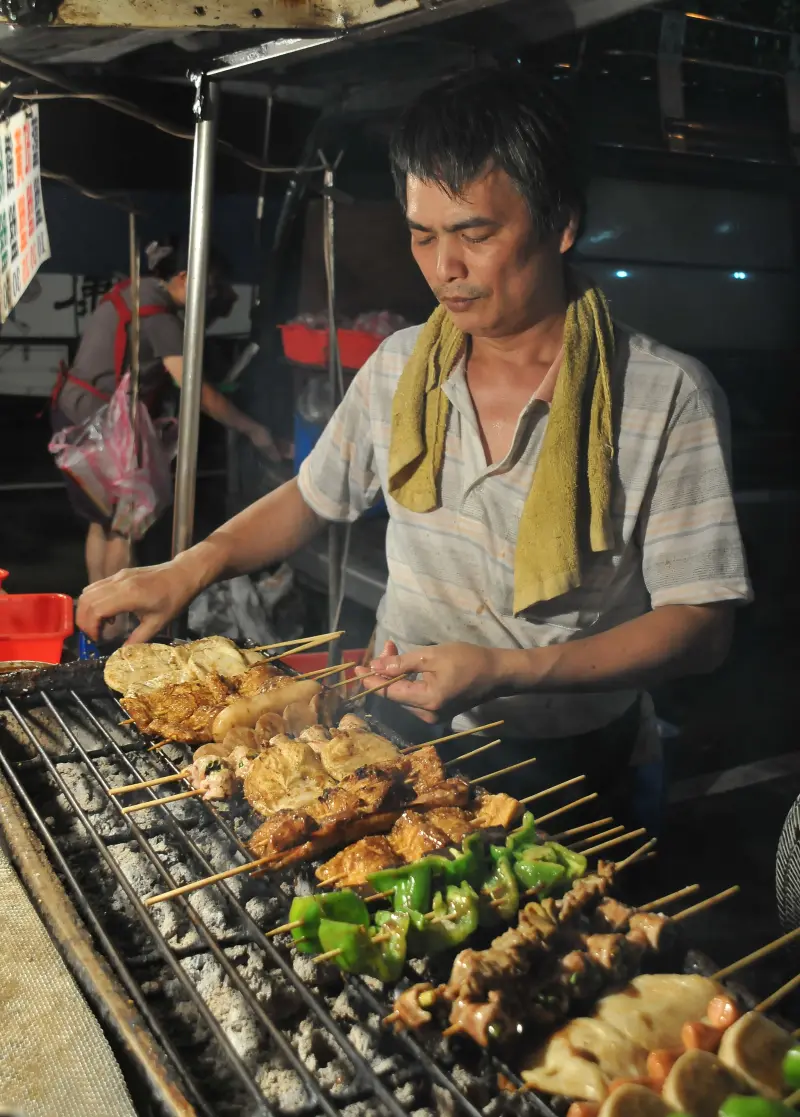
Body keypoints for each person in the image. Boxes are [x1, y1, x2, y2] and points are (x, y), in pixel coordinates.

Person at [77, 71, 751, 801]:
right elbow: (312, 496)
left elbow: (701, 623)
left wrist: (504, 670)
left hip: (572, 761)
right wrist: (189, 568)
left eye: (474, 234)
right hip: (394, 736)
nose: (443, 269)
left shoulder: (664, 395)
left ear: (561, 222)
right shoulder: (402, 365)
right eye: (422, 236)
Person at [51, 237, 279, 588]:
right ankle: (117, 627)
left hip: (73, 414)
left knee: (102, 522)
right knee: (125, 529)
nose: (212, 295)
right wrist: (252, 429)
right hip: (102, 427)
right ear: (186, 277)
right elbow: (199, 393)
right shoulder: (158, 318)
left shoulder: (135, 290)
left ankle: (95, 618)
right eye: (211, 286)